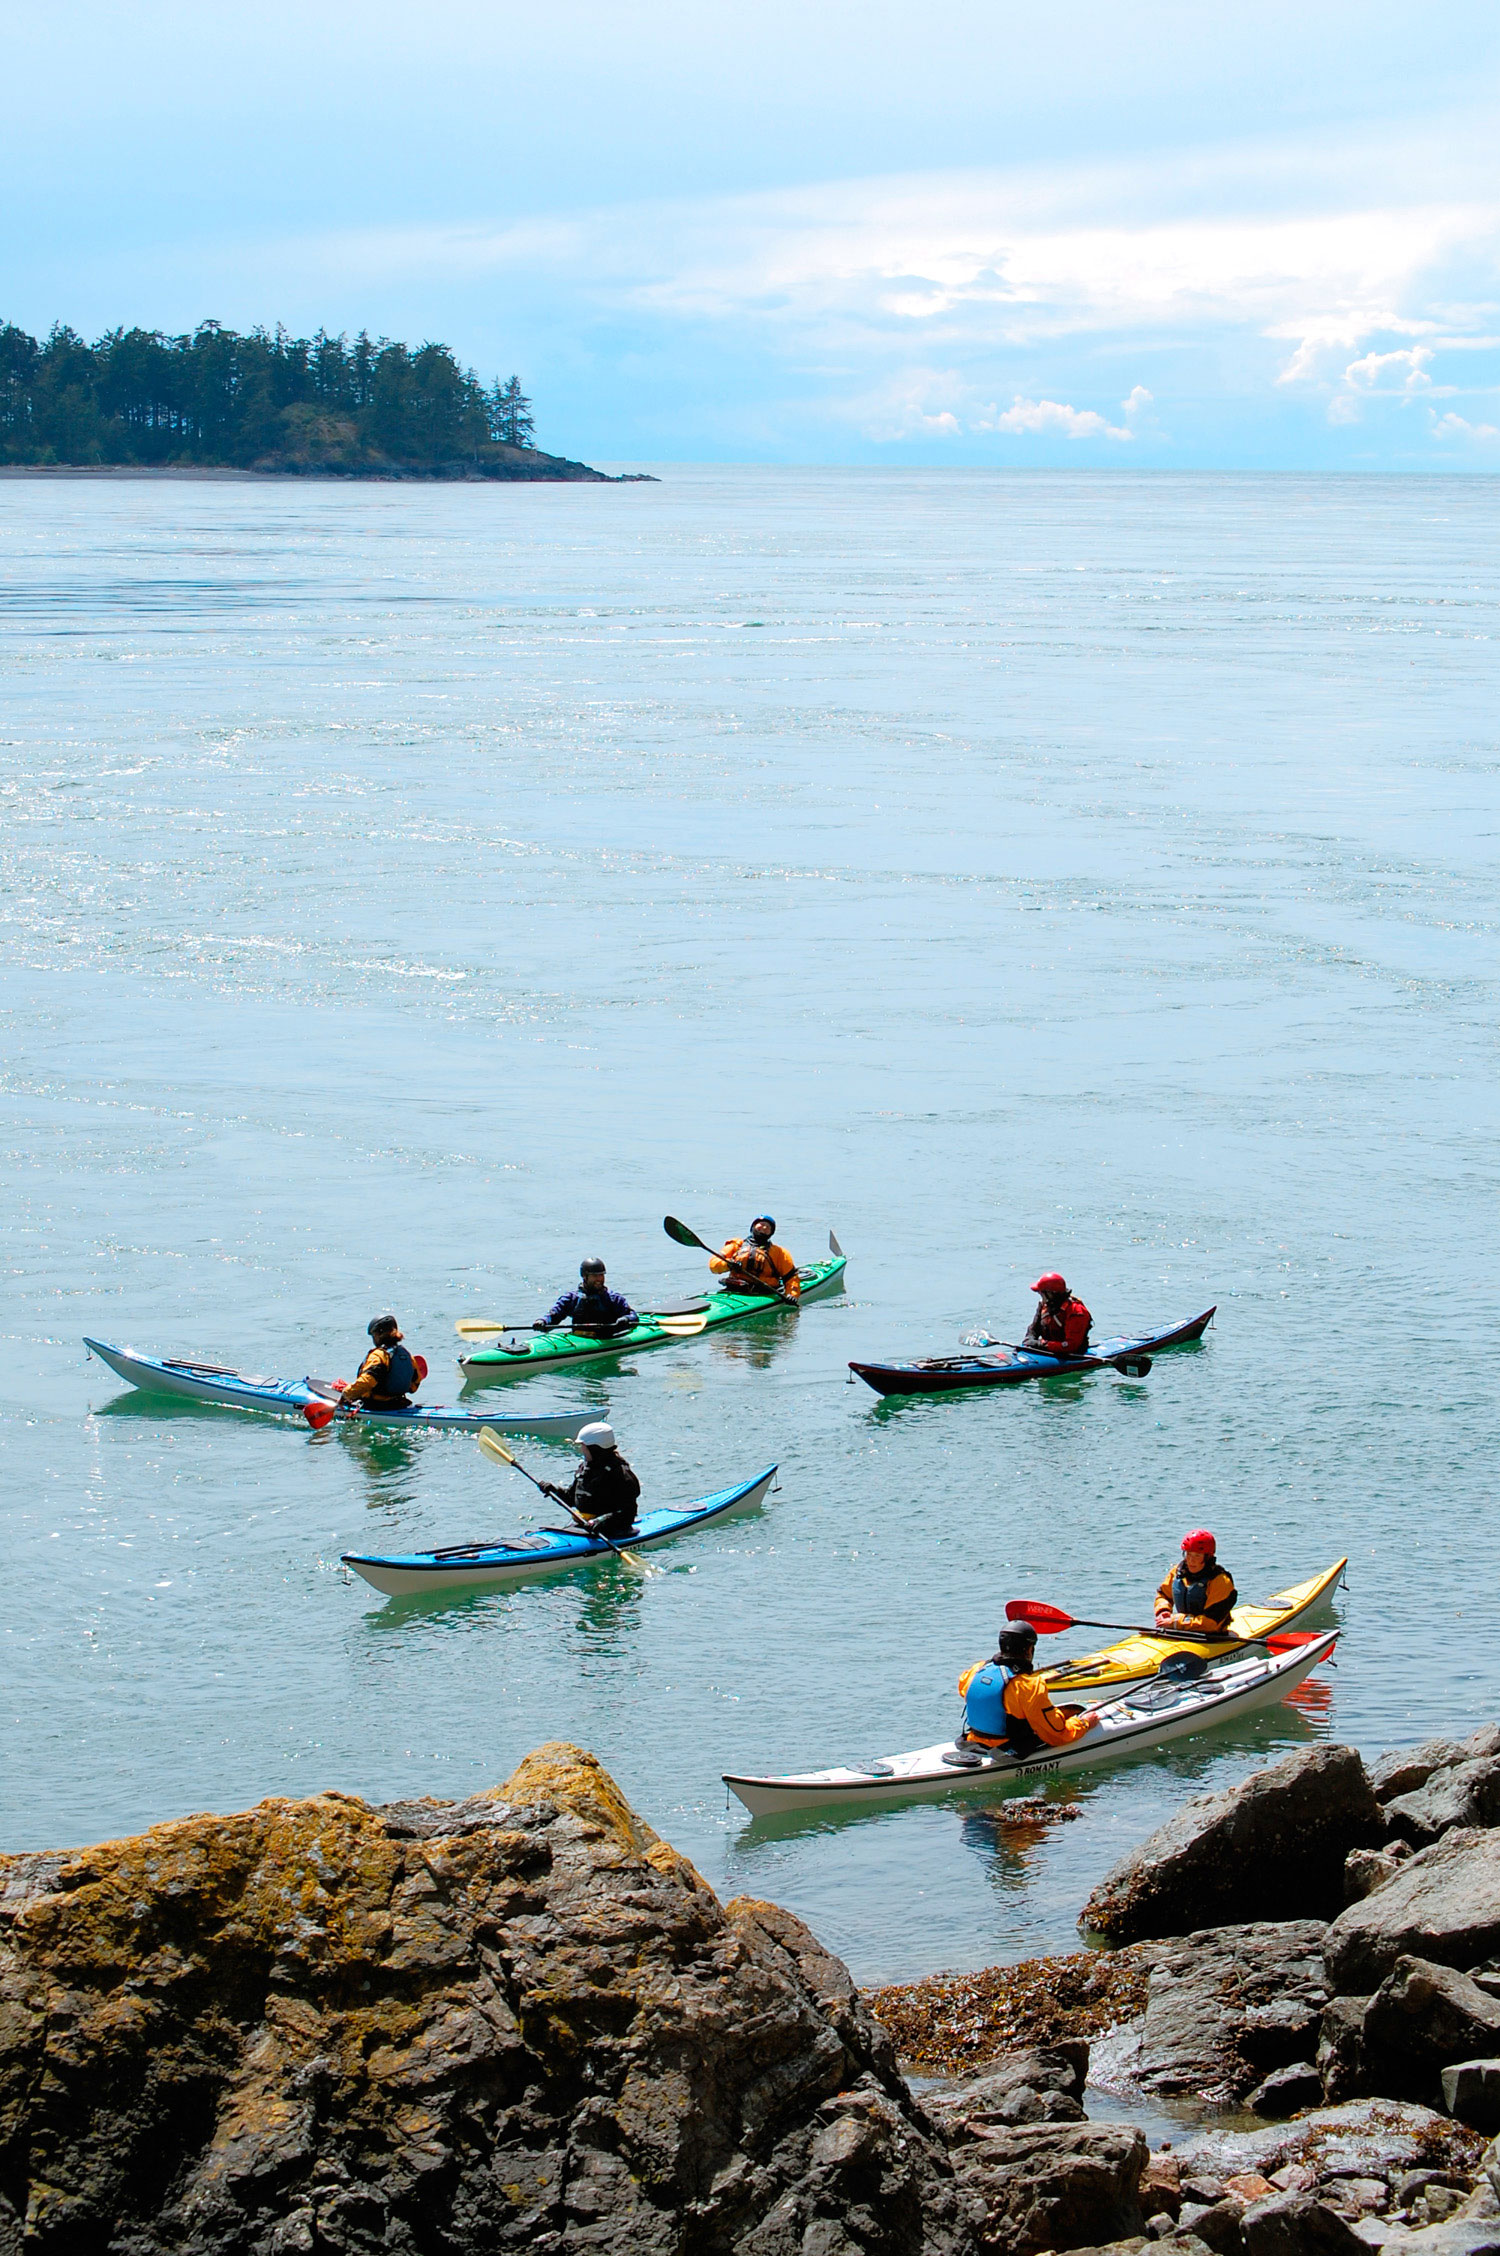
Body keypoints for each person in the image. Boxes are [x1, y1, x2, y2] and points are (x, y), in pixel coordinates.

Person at [957, 1623, 1099, 1753]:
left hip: (971, 1741)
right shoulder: (1029, 1687)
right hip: (1006, 1749)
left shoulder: (976, 1671)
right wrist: (1084, 1723)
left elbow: (982, 1696)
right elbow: (1056, 1735)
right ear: (1029, 1649)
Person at [540, 1422, 641, 1538]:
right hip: (584, 1527)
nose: (581, 1450)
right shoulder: (585, 1469)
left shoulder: (620, 1474)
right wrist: (554, 1491)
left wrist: (601, 1521)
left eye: (584, 1446)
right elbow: (571, 1499)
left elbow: (628, 1512)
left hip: (612, 1531)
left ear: (596, 1449)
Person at [1155, 1530, 1238, 1634]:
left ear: (1208, 1557)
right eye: (1188, 1554)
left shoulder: (1220, 1581)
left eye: (1197, 1555)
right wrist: (1163, 1611)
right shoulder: (1178, 1573)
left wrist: (1176, 1622)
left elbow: (1210, 1623)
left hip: (1214, 1636)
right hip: (1184, 1630)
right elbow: (1163, 1595)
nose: (1191, 1560)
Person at [341, 1315, 426, 1409]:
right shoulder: (406, 1355)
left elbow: (367, 1381)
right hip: (400, 1404)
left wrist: (346, 1395)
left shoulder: (378, 1356)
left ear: (378, 1334)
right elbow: (415, 1384)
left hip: (376, 1406)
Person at [535, 1260, 637, 1338]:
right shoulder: (571, 1298)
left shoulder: (614, 1299)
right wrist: (543, 1321)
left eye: (601, 1275)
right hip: (580, 1339)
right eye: (594, 1276)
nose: (599, 1279)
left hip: (607, 1339)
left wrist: (626, 1319)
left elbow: (633, 1316)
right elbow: (555, 1314)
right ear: (584, 1276)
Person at [709, 1215, 801, 1299]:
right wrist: (728, 1264)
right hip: (735, 1289)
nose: (764, 1227)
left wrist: (792, 1295)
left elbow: (791, 1277)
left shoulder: (780, 1253)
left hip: (765, 1293)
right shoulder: (736, 1245)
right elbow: (713, 1266)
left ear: (771, 1233)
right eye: (761, 1224)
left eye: (768, 1227)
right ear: (753, 1227)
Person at [1022, 1273, 1092, 1356]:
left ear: (1051, 1294)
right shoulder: (1044, 1305)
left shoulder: (1076, 1311)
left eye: (1041, 1293)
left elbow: (1071, 1346)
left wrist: (1041, 1345)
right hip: (1046, 1350)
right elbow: (1034, 1328)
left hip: (1071, 1354)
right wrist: (1029, 1339)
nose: (1041, 1296)